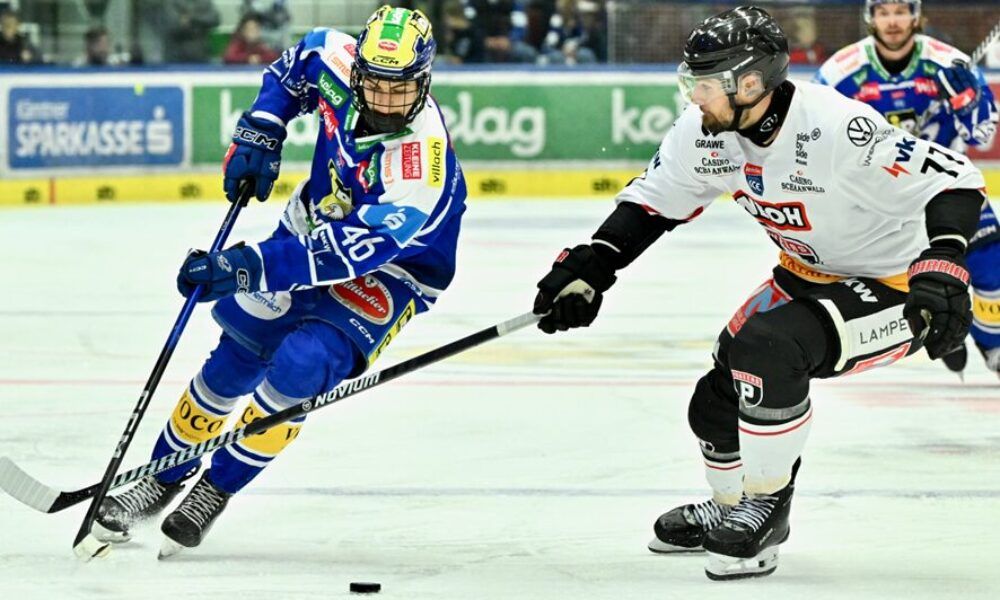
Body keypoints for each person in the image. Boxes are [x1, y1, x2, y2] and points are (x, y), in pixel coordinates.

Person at [532, 6, 985, 581]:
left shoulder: (836, 128)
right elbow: (653, 202)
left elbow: (955, 179)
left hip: (895, 284)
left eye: (705, 83)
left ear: (749, 84)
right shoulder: (705, 132)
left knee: (769, 348)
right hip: (806, 271)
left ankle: (766, 510)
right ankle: (728, 508)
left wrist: (943, 261)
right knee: (715, 400)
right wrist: (594, 263)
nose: (693, 96)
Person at [94, 5, 467, 557]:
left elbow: (343, 255)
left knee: (303, 364)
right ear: (359, 70)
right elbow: (296, 65)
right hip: (313, 221)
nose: (386, 102)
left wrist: (244, 266)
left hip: (395, 269)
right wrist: (263, 129)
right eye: (376, 85)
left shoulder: (418, 166)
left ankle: (216, 487)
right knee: (237, 356)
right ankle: (162, 476)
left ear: (425, 81)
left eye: (401, 89)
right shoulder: (335, 58)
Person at [815, 0, 999, 378]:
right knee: (892, 280)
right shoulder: (840, 72)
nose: (893, 21)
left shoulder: (949, 63)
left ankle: (994, 345)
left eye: (901, 11)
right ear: (871, 18)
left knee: (994, 269)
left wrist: (967, 102)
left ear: (916, 16)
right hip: (878, 197)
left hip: (947, 187)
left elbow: (982, 135)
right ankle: (939, 320)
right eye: (883, 12)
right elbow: (815, 135)